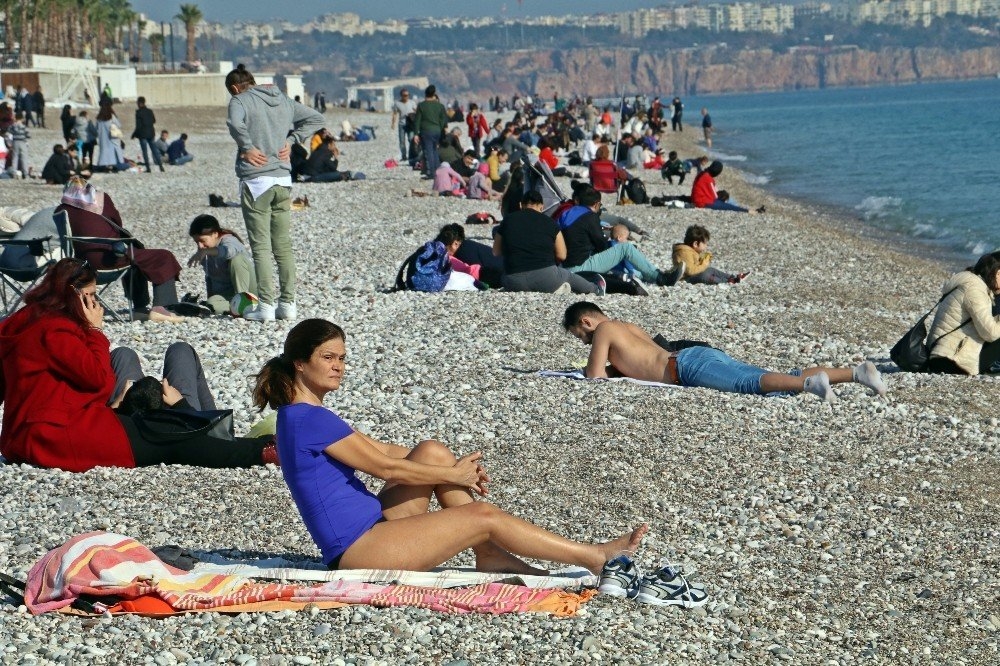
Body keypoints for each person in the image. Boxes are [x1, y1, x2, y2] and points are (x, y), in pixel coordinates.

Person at [252, 318, 648, 572]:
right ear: (300, 363)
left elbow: (384, 451)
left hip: (371, 529)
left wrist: (443, 467)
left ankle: (489, 554)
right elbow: (385, 469)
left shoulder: (303, 416)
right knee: (483, 515)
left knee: (432, 449)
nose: (339, 366)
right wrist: (452, 475)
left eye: (342, 357)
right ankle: (593, 556)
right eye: (328, 357)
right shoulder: (308, 419)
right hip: (358, 550)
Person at [0, 258, 277, 473]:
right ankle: (263, 451)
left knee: (159, 425)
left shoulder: (24, 321)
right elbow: (99, 380)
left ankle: (247, 443)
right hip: (57, 433)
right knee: (170, 438)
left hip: (28, 432)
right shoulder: (56, 330)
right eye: (91, 296)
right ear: (75, 294)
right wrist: (95, 332)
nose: (95, 304)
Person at [562, 302, 888, 402]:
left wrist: (601, 366)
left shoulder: (603, 330)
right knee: (770, 378)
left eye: (580, 334)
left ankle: (810, 385)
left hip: (686, 368)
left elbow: (594, 376)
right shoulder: (626, 325)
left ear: (586, 321)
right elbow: (648, 355)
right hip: (695, 356)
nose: (583, 341)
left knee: (752, 384)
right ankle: (857, 373)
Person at [225, 63, 325, 322]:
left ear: (235, 88)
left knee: (261, 247)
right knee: (283, 245)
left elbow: (234, 124)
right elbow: (317, 118)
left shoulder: (240, 101)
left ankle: (267, 306)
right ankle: (288, 304)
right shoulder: (282, 99)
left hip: (256, 180)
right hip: (282, 178)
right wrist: (292, 141)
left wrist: (246, 146)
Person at [55, 177, 182, 318]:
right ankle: (163, 307)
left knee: (136, 257)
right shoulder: (100, 199)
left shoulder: (60, 210)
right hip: (108, 259)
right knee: (162, 256)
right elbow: (117, 226)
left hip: (81, 266)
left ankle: (140, 309)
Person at [558, 187, 679, 288]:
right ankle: (661, 278)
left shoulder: (565, 214)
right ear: (596, 204)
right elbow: (601, 245)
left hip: (563, 267)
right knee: (625, 248)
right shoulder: (590, 216)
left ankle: (647, 274)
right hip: (579, 268)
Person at [492, 191, 601, 295]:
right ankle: (595, 290)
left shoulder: (507, 220)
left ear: (521, 205)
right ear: (542, 207)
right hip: (545, 278)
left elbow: (496, 252)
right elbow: (562, 255)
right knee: (567, 275)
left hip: (513, 280)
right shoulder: (550, 223)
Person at [927, 253, 1000, 376]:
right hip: (953, 360)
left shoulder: (971, 283)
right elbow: (990, 333)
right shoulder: (974, 290)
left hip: (943, 354)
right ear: (996, 273)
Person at [187, 214, 259, 315]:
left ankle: (245, 303)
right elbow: (209, 279)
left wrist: (208, 251)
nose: (200, 246)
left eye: (203, 241)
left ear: (215, 234)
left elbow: (229, 251)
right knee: (211, 304)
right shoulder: (205, 253)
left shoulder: (229, 241)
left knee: (237, 259)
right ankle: (237, 308)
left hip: (248, 293)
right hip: (227, 296)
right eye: (196, 242)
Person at [672, 225, 749, 285]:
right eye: (704, 243)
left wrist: (703, 259)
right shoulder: (684, 252)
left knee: (710, 270)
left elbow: (694, 263)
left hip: (692, 275)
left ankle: (732, 277)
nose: (706, 246)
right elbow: (691, 271)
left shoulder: (691, 250)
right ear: (695, 244)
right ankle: (727, 282)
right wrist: (704, 264)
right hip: (686, 279)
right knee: (705, 275)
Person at [413, 85, 448, 178]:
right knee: (435, 151)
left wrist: (416, 134)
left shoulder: (421, 105)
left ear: (425, 94)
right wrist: (439, 128)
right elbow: (443, 120)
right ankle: (438, 172)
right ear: (434, 94)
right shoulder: (440, 106)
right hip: (437, 131)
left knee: (428, 152)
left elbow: (417, 121)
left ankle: (431, 173)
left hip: (426, 131)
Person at [132, 96, 164, 173]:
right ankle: (161, 166)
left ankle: (148, 168)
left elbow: (138, 126)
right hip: (151, 133)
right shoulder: (150, 111)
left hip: (142, 134)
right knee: (154, 150)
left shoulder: (138, 113)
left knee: (145, 151)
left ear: (139, 103)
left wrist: (134, 134)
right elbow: (154, 120)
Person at [94, 104, 128, 172]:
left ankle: (105, 166)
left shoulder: (99, 119)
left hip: (103, 140)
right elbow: (119, 125)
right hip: (112, 139)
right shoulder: (111, 117)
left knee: (103, 155)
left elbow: (96, 129)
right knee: (114, 155)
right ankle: (114, 166)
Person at [391, 88, 417, 162]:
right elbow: (395, 114)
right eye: (405, 95)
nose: (406, 97)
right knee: (402, 141)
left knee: (411, 140)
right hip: (401, 124)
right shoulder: (397, 103)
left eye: (408, 95)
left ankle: (412, 154)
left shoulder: (412, 103)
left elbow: (417, 112)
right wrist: (393, 123)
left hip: (411, 124)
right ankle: (404, 156)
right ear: (401, 96)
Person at [6, 112, 30, 178]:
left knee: (15, 158)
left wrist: (9, 143)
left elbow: (8, 134)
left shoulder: (12, 126)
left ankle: (14, 173)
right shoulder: (24, 126)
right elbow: (28, 135)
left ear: (15, 118)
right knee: (24, 158)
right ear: (22, 118)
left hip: (15, 142)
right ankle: (25, 173)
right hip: (22, 142)